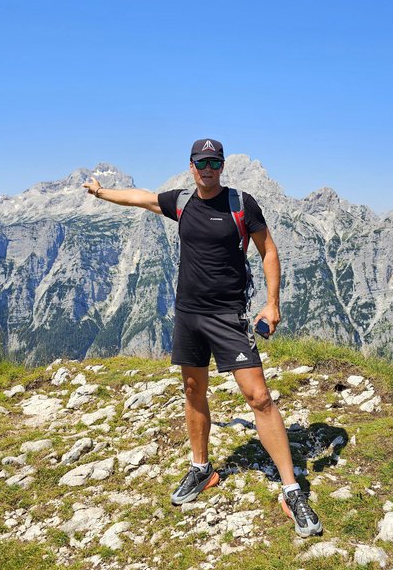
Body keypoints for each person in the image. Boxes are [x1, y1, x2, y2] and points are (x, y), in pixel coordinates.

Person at [83, 139, 322, 537]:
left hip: (230, 316)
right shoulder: (181, 203)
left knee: (259, 398)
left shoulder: (241, 204)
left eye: (214, 162)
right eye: (201, 163)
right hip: (188, 316)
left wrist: (272, 303)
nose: (207, 168)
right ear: (191, 167)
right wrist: (101, 191)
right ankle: (201, 468)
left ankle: (291, 489)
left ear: (222, 166)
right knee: (194, 390)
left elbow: (268, 251)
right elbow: (139, 198)